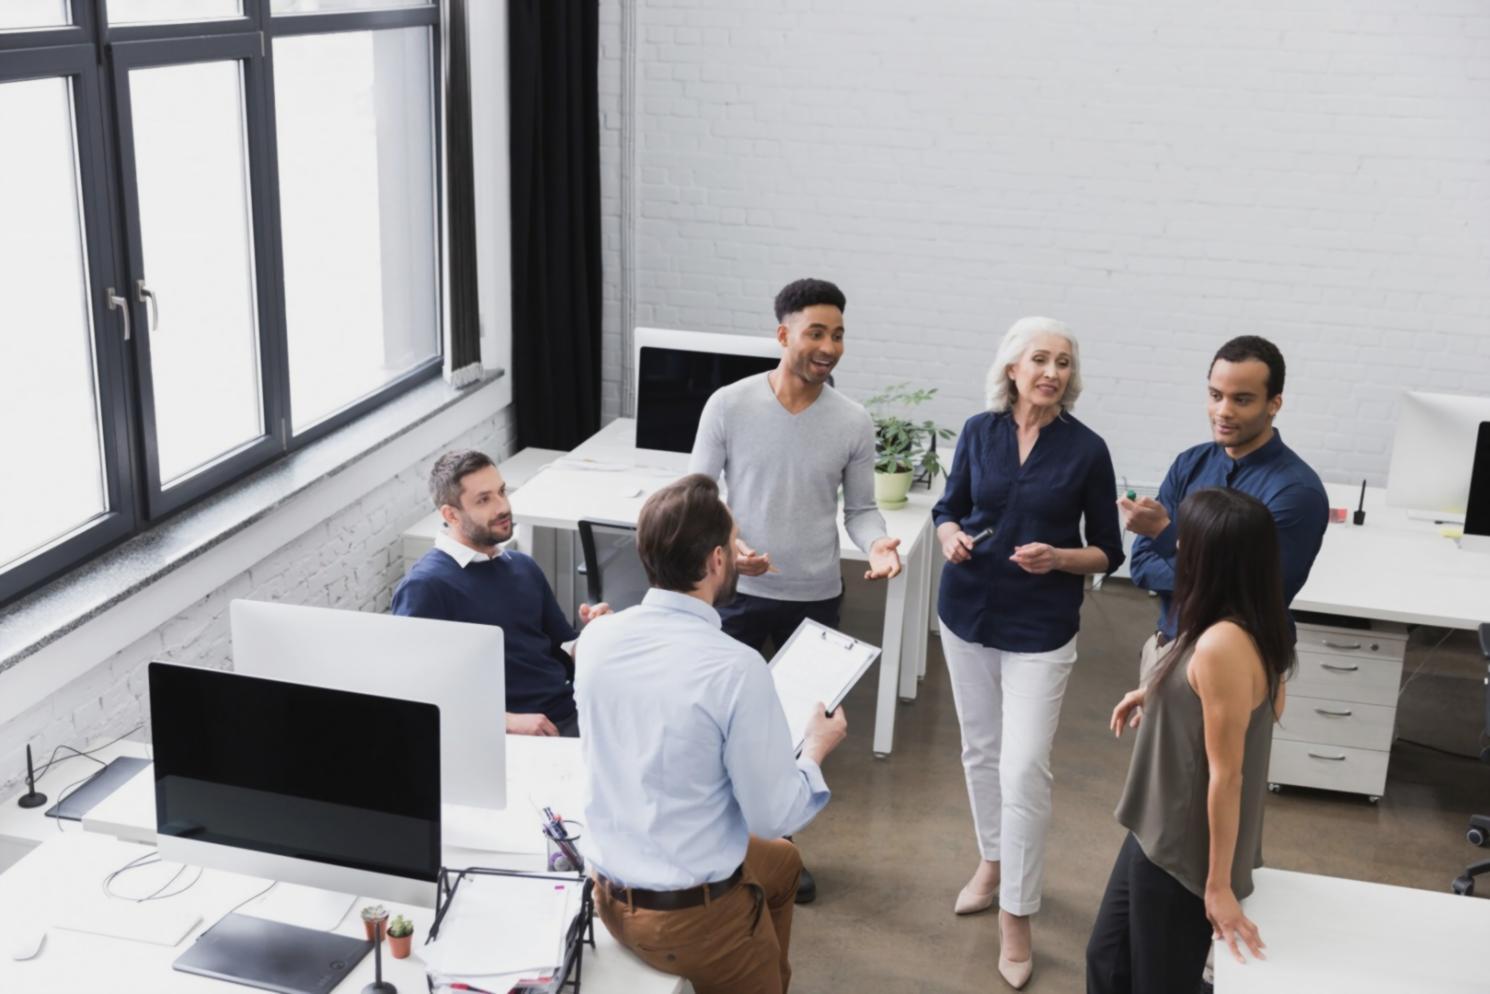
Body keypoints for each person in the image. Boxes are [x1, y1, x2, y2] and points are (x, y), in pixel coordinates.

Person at [575, 474, 848, 994]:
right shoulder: (737, 668)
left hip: (608, 891)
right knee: (776, 842)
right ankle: (751, 966)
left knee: (784, 864)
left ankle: (765, 962)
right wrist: (815, 749)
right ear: (718, 560)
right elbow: (772, 816)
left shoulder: (597, 638)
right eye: (734, 541)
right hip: (686, 921)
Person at [690, 276, 899, 903]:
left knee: (797, 733)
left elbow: (861, 511)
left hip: (814, 597)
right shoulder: (728, 405)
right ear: (783, 335)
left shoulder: (852, 421)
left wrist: (879, 544)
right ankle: (719, 845)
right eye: (816, 333)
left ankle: (779, 850)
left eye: (838, 335)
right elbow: (699, 495)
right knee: (724, 724)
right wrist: (731, 545)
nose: (829, 347)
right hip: (737, 594)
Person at [932, 316, 1125, 990]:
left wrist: (1060, 558)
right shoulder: (978, 431)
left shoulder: (1087, 450)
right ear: (1012, 368)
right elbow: (948, 507)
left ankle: (1017, 913)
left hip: (1041, 627)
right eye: (1040, 359)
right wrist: (949, 535)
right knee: (980, 751)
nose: (1052, 372)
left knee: (1023, 770)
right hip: (966, 614)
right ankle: (993, 861)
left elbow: (1109, 550)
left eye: (1063, 362)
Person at [1086, 487, 1293, 994]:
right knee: (1108, 961)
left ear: (1213, 559)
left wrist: (1218, 886)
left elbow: (1228, 775)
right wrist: (1156, 695)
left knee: (1158, 983)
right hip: (1155, 827)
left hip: (1183, 848)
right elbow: (1221, 698)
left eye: (1187, 541)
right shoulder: (1242, 622)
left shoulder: (1223, 644)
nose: (1177, 546)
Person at [1120, 335, 1328, 658]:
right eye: (1216, 395)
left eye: (1242, 400)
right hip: (1166, 647)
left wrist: (1165, 535)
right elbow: (1142, 566)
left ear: (1274, 404)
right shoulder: (1190, 463)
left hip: (1239, 662)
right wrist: (1217, 577)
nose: (1223, 411)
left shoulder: (1296, 493)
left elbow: (1252, 597)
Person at [391, 449, 609, 737]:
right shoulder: (425, 587)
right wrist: (505, 722)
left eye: (502, 492)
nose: (503, 506)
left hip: (573, 710)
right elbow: (413, 693)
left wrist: (601, 634)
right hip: (511, 735)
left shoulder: (522, 566)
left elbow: (565, 648)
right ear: (451, 515)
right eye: (484, 499)